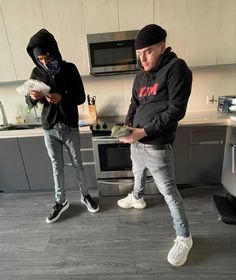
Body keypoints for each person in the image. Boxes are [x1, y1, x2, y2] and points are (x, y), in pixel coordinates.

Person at [117, 24, 193, 266]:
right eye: (139, 53)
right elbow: (134, 102)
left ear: (162, 45)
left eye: (147, 51)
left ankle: (184, 237)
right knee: (137, 173)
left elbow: (176, 110)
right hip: (136, 141)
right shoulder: (140, 76)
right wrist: (127, 126)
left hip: (157, 145)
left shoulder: (176, 68)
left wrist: (144, 131)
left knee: (169, 193)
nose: (143, 58)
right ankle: (137, 198)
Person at [25, 29, 99, 224]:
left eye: (45, 57)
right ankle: (60, 201)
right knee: (56, 166)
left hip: (69, 125)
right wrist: (32, 98)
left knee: (77, 164)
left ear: (53, 52)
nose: (43, 62)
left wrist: (61, 97)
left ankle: (85, 196)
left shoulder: (69, 69)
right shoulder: (36, 72)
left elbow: (80, 97)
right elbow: (29, 101)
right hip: (49, 127)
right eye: (39, 59)